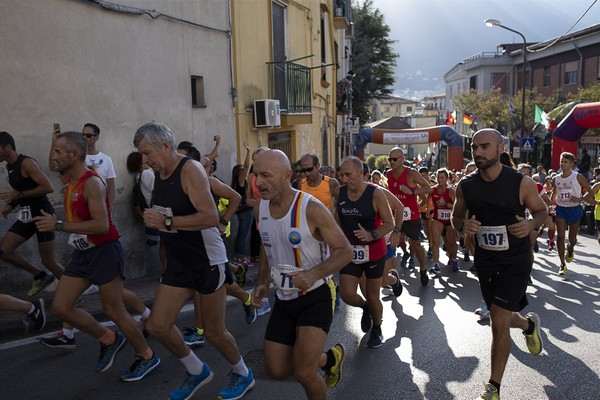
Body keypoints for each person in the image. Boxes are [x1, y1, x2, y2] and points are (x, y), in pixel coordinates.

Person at [134, 122, 254, 400]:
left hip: (206, 261)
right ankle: (196, 369)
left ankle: (243, 372)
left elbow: (210, 217)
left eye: (147, 152)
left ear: (165, 145)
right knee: (156, 325)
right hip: (178, 263)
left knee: (214, 332)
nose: (145, 159)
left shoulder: (190, 170)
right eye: (141, 154)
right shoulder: (153, 176)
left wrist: (166, 220)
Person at [34, 131, 159, 381]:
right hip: (83, 253)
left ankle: (146, 356)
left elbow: (102, 225)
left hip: (104, 251)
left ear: (74, 154)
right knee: (60, 306)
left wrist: (58, 225)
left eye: (58, 151)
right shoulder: (71, 181)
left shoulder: (92, 182)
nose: (54, 157)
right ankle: (109, 338)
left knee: (114, 310)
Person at [451, 129, 547, 400]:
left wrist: (530, 224)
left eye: (485, 147)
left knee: (497, 319)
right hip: (486, 259)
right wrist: (462, 226)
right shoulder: (466, 185)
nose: (478, 152)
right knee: (499, 315)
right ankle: (529, 326)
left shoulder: (521, 182)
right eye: (474, 147)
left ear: (500, 148)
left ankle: (493, 387)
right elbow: (456, 217)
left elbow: (541, 211)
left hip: (516, 259)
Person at [250, 149, 352, 399]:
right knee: (276, 369)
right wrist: (262, 283)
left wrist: (313, 273)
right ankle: (329, 359)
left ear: (287, 176)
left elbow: (344, 251)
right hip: (284, 298)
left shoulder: (312, 209)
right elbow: (267, 246)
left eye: (265, 175)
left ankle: (315, 366)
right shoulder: (260, 209)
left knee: (305, 372)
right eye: (255, 175)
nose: (258, 182)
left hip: (316, 295)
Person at [335, 156, 394, 348]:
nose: (344, 179)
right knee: (346, 294)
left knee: (373, 294)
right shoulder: (340, 192)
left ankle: (377, 328)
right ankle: (365, 307)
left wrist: (372, 234)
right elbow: (337, 221)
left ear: (361, 174)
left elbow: (389, 223)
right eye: (341, 174)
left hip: (374, 252)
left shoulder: (375, 193)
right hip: (350, 251)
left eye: (348, 175)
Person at [0, 131, 64, 296]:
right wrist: (11, 204)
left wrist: (18, 196)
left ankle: (71, 292)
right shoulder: (9, 166)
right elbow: (21, 189)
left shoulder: (26, 163)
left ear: (7, 147)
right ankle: (40, 275)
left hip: (42, 215)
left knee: (48, 260)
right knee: (4, 251)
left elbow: (47, 187)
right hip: (27, 217)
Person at [386, 147, 432, 286]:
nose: (392, 162)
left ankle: (423, 269)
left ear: (402, 159)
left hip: (411, 215)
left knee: (416, 245)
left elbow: (428, 188)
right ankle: (390, 276)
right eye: (390, 159)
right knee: (394, 242)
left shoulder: (411, 173)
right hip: (395, 216)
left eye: (395, 159)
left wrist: (412, 191)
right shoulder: (388, 174)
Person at [551, 152, 594, 275]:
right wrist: (549, 202)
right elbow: (554, 194)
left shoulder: (578, 176)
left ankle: (570, 249)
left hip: (574, 208)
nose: (563, 164)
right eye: (561, 161)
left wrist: (580, 199)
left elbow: (590, 192)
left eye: (565, 162)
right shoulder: (556, 178)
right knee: (560, 237)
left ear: (571, 164)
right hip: (561, 208)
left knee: (572, 239)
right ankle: (562, 264)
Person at [429, 168, 458, 273]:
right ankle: (436, 264)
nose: (439, 180)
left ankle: (454, 258)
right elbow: (428, 198)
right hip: (438, 218)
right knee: (435, 241)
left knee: (451, 242)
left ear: (447, 179)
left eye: (442, 178)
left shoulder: (451, 191)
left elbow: (456, 206)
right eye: (438, 177)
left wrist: (446, 204)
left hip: (450, 219)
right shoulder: (433, 190)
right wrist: (429, 210)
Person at [81, 123, 117, 206]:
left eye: (88, 135)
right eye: (82, 135)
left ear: (96, 137)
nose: (84, 138)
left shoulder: (106, 159)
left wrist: (108, 206)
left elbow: (111, 185)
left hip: (100, 205)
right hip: (81, 204)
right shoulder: (77, 157)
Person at [231, 143, 254, 267]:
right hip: (245, 210)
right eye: (241, 170)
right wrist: (248, 152)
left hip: (242, 210)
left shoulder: (237, 183)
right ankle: (240, 257)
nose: (243, 171)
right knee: (243, 234)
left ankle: (239, 256)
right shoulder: (240, 181)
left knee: (242, 233)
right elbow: (246, 166)